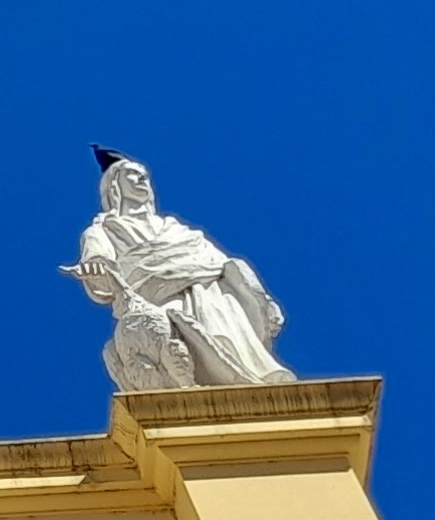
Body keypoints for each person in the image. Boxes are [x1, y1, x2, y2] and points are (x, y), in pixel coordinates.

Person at [66, 150, 289, 391]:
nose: (142, 180)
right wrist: (96, 268)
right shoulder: (104, 229)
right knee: (174, 345)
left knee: (227, 340)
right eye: (132, 175)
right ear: (115, 186)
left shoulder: (176, 229)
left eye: (144, 176)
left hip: (212, 293)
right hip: (157, 299)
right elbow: (99, 264)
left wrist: (258, 296)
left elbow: (218, 262)